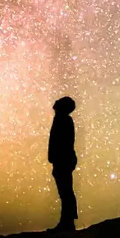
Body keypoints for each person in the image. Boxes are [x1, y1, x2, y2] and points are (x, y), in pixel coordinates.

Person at [48, 96, 78, 231]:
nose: (55, 102)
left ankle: (67, 223)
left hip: (63, 159)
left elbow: (62, 142)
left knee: (65, 191)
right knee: (65, 191)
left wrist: (56, 158)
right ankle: (67, 222)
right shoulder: (62, 119)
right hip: (63, 159)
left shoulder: (63, 120)